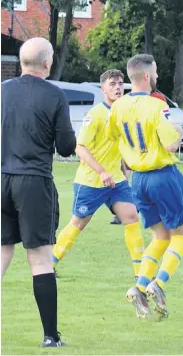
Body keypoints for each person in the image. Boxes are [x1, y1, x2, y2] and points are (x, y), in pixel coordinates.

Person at [1, 37, 76, 347]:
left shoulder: (2, 91)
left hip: (1, 176)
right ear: (48, 63)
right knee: (41, 260)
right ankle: (50, 336)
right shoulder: (54, 95)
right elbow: (67, 147)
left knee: (3, 252)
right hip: (33, 181)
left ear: (21, 62)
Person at [106, 54, 183, 319]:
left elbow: (113, 137)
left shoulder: (117, 107)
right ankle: (159, 284)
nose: (157, 77)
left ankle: (140, 286)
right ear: (145, 76)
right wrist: (177, 130)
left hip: (138, 180)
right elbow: (170, 144)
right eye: (154, 73)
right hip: (162, 174)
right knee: (181, 235)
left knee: (160, 236)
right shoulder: (156, 106)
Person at [52, 69, 145, 284]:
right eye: (112, 84)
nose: (118, 87)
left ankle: (141, 273)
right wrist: (101, 171)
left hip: (116, 181)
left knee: (131, 217)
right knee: (78, 223)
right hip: (90, 182)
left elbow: (118, 145)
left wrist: (125, 167)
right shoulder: (95, 115)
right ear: (103, 89)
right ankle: (50, 263)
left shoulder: (125, 115)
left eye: (121, 83)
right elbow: (80, 147)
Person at [110, 90, 168, 225]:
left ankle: (138, 211)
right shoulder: (128, 99)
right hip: (135, 149)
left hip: (151, 151)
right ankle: (127, 210)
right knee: (128, 179)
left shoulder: (158, 97)